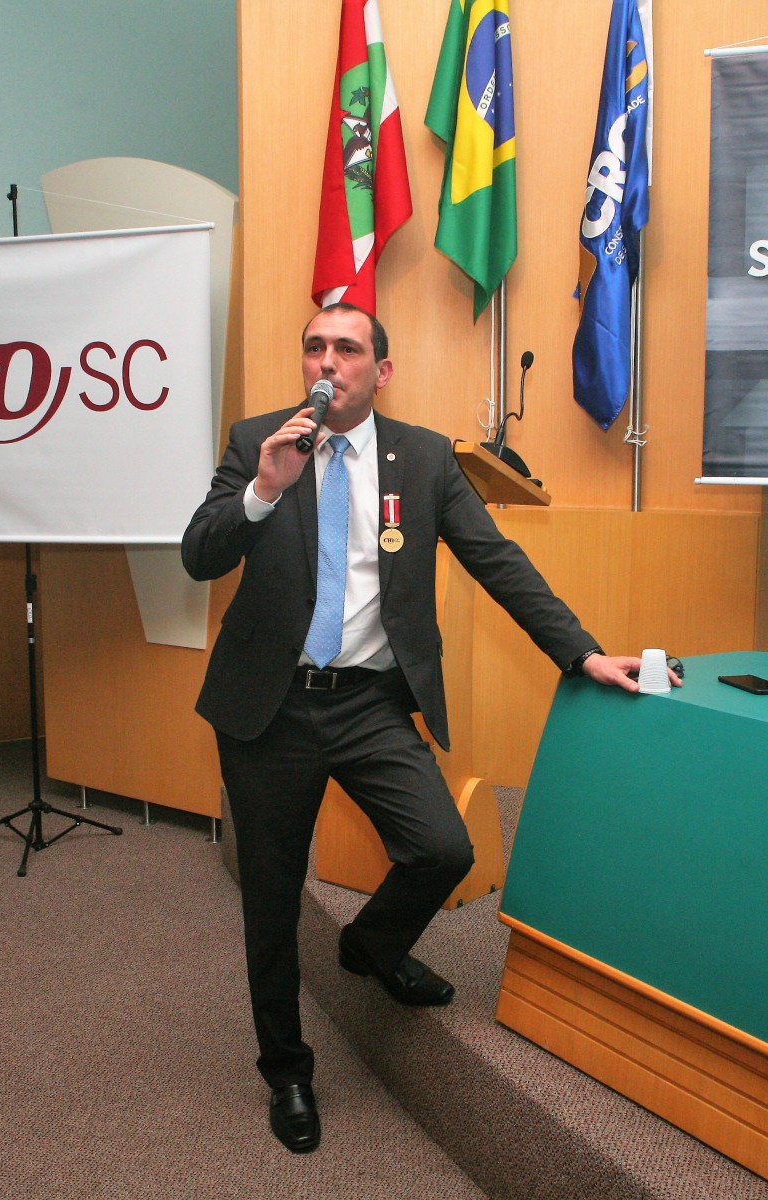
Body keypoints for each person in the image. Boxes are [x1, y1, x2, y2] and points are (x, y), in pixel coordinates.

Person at [181, 303, 661, 1153]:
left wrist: (581, 652)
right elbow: (200, 554)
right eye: (315, 347)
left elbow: (498, 562)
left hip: (368, 701)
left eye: (347, 348)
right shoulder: (260, 440)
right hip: (270, 708)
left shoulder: (427, 457)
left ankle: (370, 945)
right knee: (272, 897)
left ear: (382, 370)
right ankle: (287, 1071)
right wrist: (264, 489)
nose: (327, 363)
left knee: (442, 849)